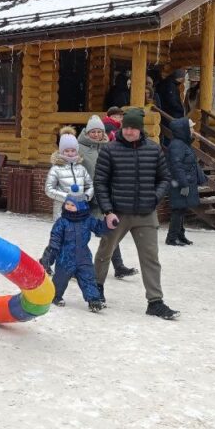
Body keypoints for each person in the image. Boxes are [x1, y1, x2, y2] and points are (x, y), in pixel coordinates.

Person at [93, 108, 178, 319]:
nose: (129, 131)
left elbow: (165, 179)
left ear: (140, 129)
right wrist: (107, 210)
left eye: (133, 128)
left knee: (151, 257)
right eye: (126, 127)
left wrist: (154, 197)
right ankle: (95, 289)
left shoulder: (153, 149)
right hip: (117, 212)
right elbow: (100, 182)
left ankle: (155, 301)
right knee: (105, 252)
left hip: (145, 213)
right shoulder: (109, 150)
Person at [78, 114, 137, 279]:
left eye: (99, 131)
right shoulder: (78, 148)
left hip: (103, 198)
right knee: (78, 234)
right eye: (93, 132)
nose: (96, 134)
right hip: (85, 199)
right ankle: (58, 263)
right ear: (87, 132)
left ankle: (118, 266)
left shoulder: (107, 147)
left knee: (110, 232)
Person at [41, 198, 110, 311]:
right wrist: (49, 257)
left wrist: (108, 222)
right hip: (65, 258)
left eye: (72, 205)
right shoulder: (62, 222)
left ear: (81, 206)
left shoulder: (88, 220)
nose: (68, 206)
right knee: (60, 280)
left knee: (88, 278)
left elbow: (99, 229)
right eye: (67, 204)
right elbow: (55, 240)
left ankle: (94, 300)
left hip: (84, 257)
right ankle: (55, 296)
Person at [166, 118, 206, 247]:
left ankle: (180, 235)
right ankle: (171, 238)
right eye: (191, 128)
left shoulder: (183, 143)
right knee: (178, 210)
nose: (193, 130)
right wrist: (184, 184)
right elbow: (176, 166)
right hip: (180, 183)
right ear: (184, 130)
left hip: (184, 182)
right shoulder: (177, 145)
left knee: (182, 209)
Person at [44, 133, 93, 220]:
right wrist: (67, 197)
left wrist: (86, 196)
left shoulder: (81, 168)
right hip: (62, 212)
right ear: (61, 151)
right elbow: (49, 189)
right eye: (67, 151)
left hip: (80, 210)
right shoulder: (56, 169)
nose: (70, 154)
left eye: (73, 150)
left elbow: (90, 185)